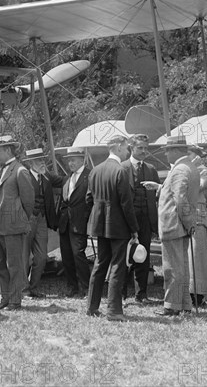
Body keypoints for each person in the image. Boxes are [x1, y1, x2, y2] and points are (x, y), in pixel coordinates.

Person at [86, 135, 139, 322]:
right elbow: (127, 204)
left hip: (100, 225)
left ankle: (92, 307)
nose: (128, 152)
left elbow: (88, 199)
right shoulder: (121, 171)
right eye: (126, 148)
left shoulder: (95, 170)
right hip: (118, 226)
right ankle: (114, 311)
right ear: (117, 148)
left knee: (100, 264)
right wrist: (134, 229)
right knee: (117, 267)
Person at [154, 135, 199, 316]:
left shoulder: (179, 169)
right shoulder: (189, 166)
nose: (165, 154)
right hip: (181, 225)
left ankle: (172, 305)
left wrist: (188, 222)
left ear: (175, 151)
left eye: (167, 150)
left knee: (172, 268)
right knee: (182, 267)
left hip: (174, 225)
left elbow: (180, 200)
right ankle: (184, 304)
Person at [0, 135, 35, 311]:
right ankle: (6, 298)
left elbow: (28, 202)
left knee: (14, 265)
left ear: (8, 150)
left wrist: (18, 218)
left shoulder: (20, 171)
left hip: (13, 226)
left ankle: (15, 300)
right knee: (1, 263)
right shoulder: (2, 170)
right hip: (0, 226)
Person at [121, 134, 160, 305]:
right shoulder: (122, 168)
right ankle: (120, 293)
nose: (144, 151)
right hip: (126, 220)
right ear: (131, 148)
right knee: (123, 257)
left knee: (143, 256)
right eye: (140, 148)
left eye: (146, 148)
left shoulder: (151, 169)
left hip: (146, 219)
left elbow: (158, 195)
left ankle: (141, 294)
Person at [21, 148, 62, 299]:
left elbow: (63, 180)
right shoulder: (23, 176)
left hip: (42, 220)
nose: (42, 163)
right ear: (31, 163)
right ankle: (24, 290)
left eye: (43, 160)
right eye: (39, 161)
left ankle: (33, 287)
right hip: (27, 219)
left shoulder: (46, 177)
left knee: (41, 256)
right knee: (24, 256)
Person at [56, 147, 91, 297]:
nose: (70, 163)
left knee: (78, 255)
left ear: (82, 160)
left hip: (80, 222)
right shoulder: (68, 178)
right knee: (67, 256)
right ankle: (72, 287)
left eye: (73, 159)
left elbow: (92, 200)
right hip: (65, 222)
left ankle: (86, 288)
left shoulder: (89, 176)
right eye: (68, 160)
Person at [187, 144, 207, 307]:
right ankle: (186, 291)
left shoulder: (204, 170)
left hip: (198, 216)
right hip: (185, 214)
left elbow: (199, 186)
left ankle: (198, 294)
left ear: (196, 155)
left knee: (197, 256)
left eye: (188, 153)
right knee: (186, 257)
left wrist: (191, 167)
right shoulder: (185, 169)